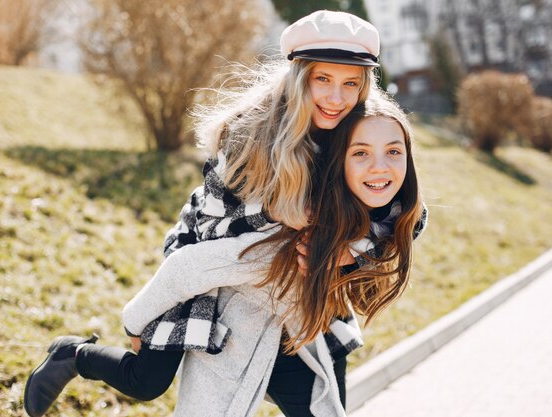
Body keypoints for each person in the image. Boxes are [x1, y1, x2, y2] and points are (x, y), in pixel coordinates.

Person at [24, 10, 427, 417]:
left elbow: (406, 209)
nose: (336, 98)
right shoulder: (250, 137)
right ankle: (72, 354)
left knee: (327, 389)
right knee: (146, 381)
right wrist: (142, 318)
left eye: (350, 84)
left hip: (302, 296)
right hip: (211, 261)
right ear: (299, 76)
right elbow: (230, 244)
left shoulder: (363, 126)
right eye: (323, 79)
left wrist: (353, 248)